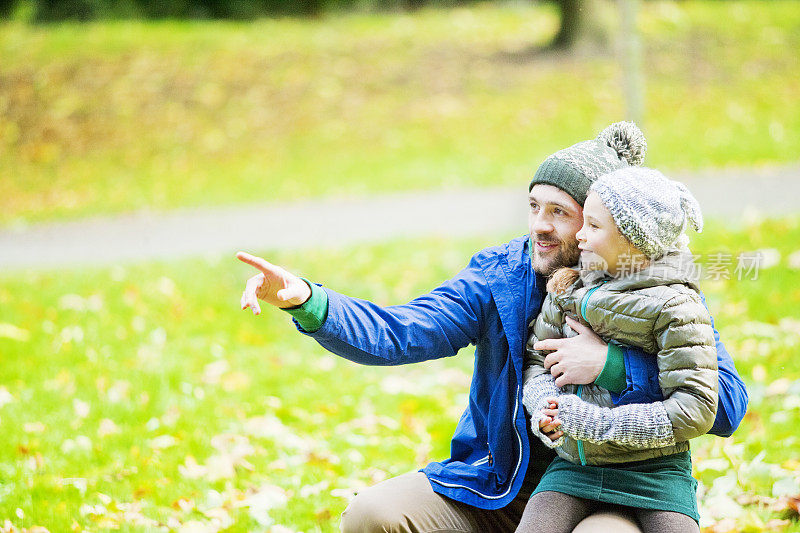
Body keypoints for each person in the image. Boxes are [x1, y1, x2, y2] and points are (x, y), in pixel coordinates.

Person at [236, 122, 748, 533]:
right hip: (500, 485)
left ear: (608, 224)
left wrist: (612, 367)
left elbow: (723, 403)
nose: (539, 226)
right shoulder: (502, 276)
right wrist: (309, 300)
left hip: (611, 485)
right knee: (374, 516)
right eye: (533, 207)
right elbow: (406, 330)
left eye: (562, 214)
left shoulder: (658, 286)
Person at [518, 166, 716, 533]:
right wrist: (546, 405)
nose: (579, 234)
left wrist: (597, 424)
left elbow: (696, 408)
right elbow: (535, 359)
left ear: (631, 240)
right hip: (576, 467)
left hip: (655, 472)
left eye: (593, 226)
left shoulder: (677, 308)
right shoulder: (571, 287)